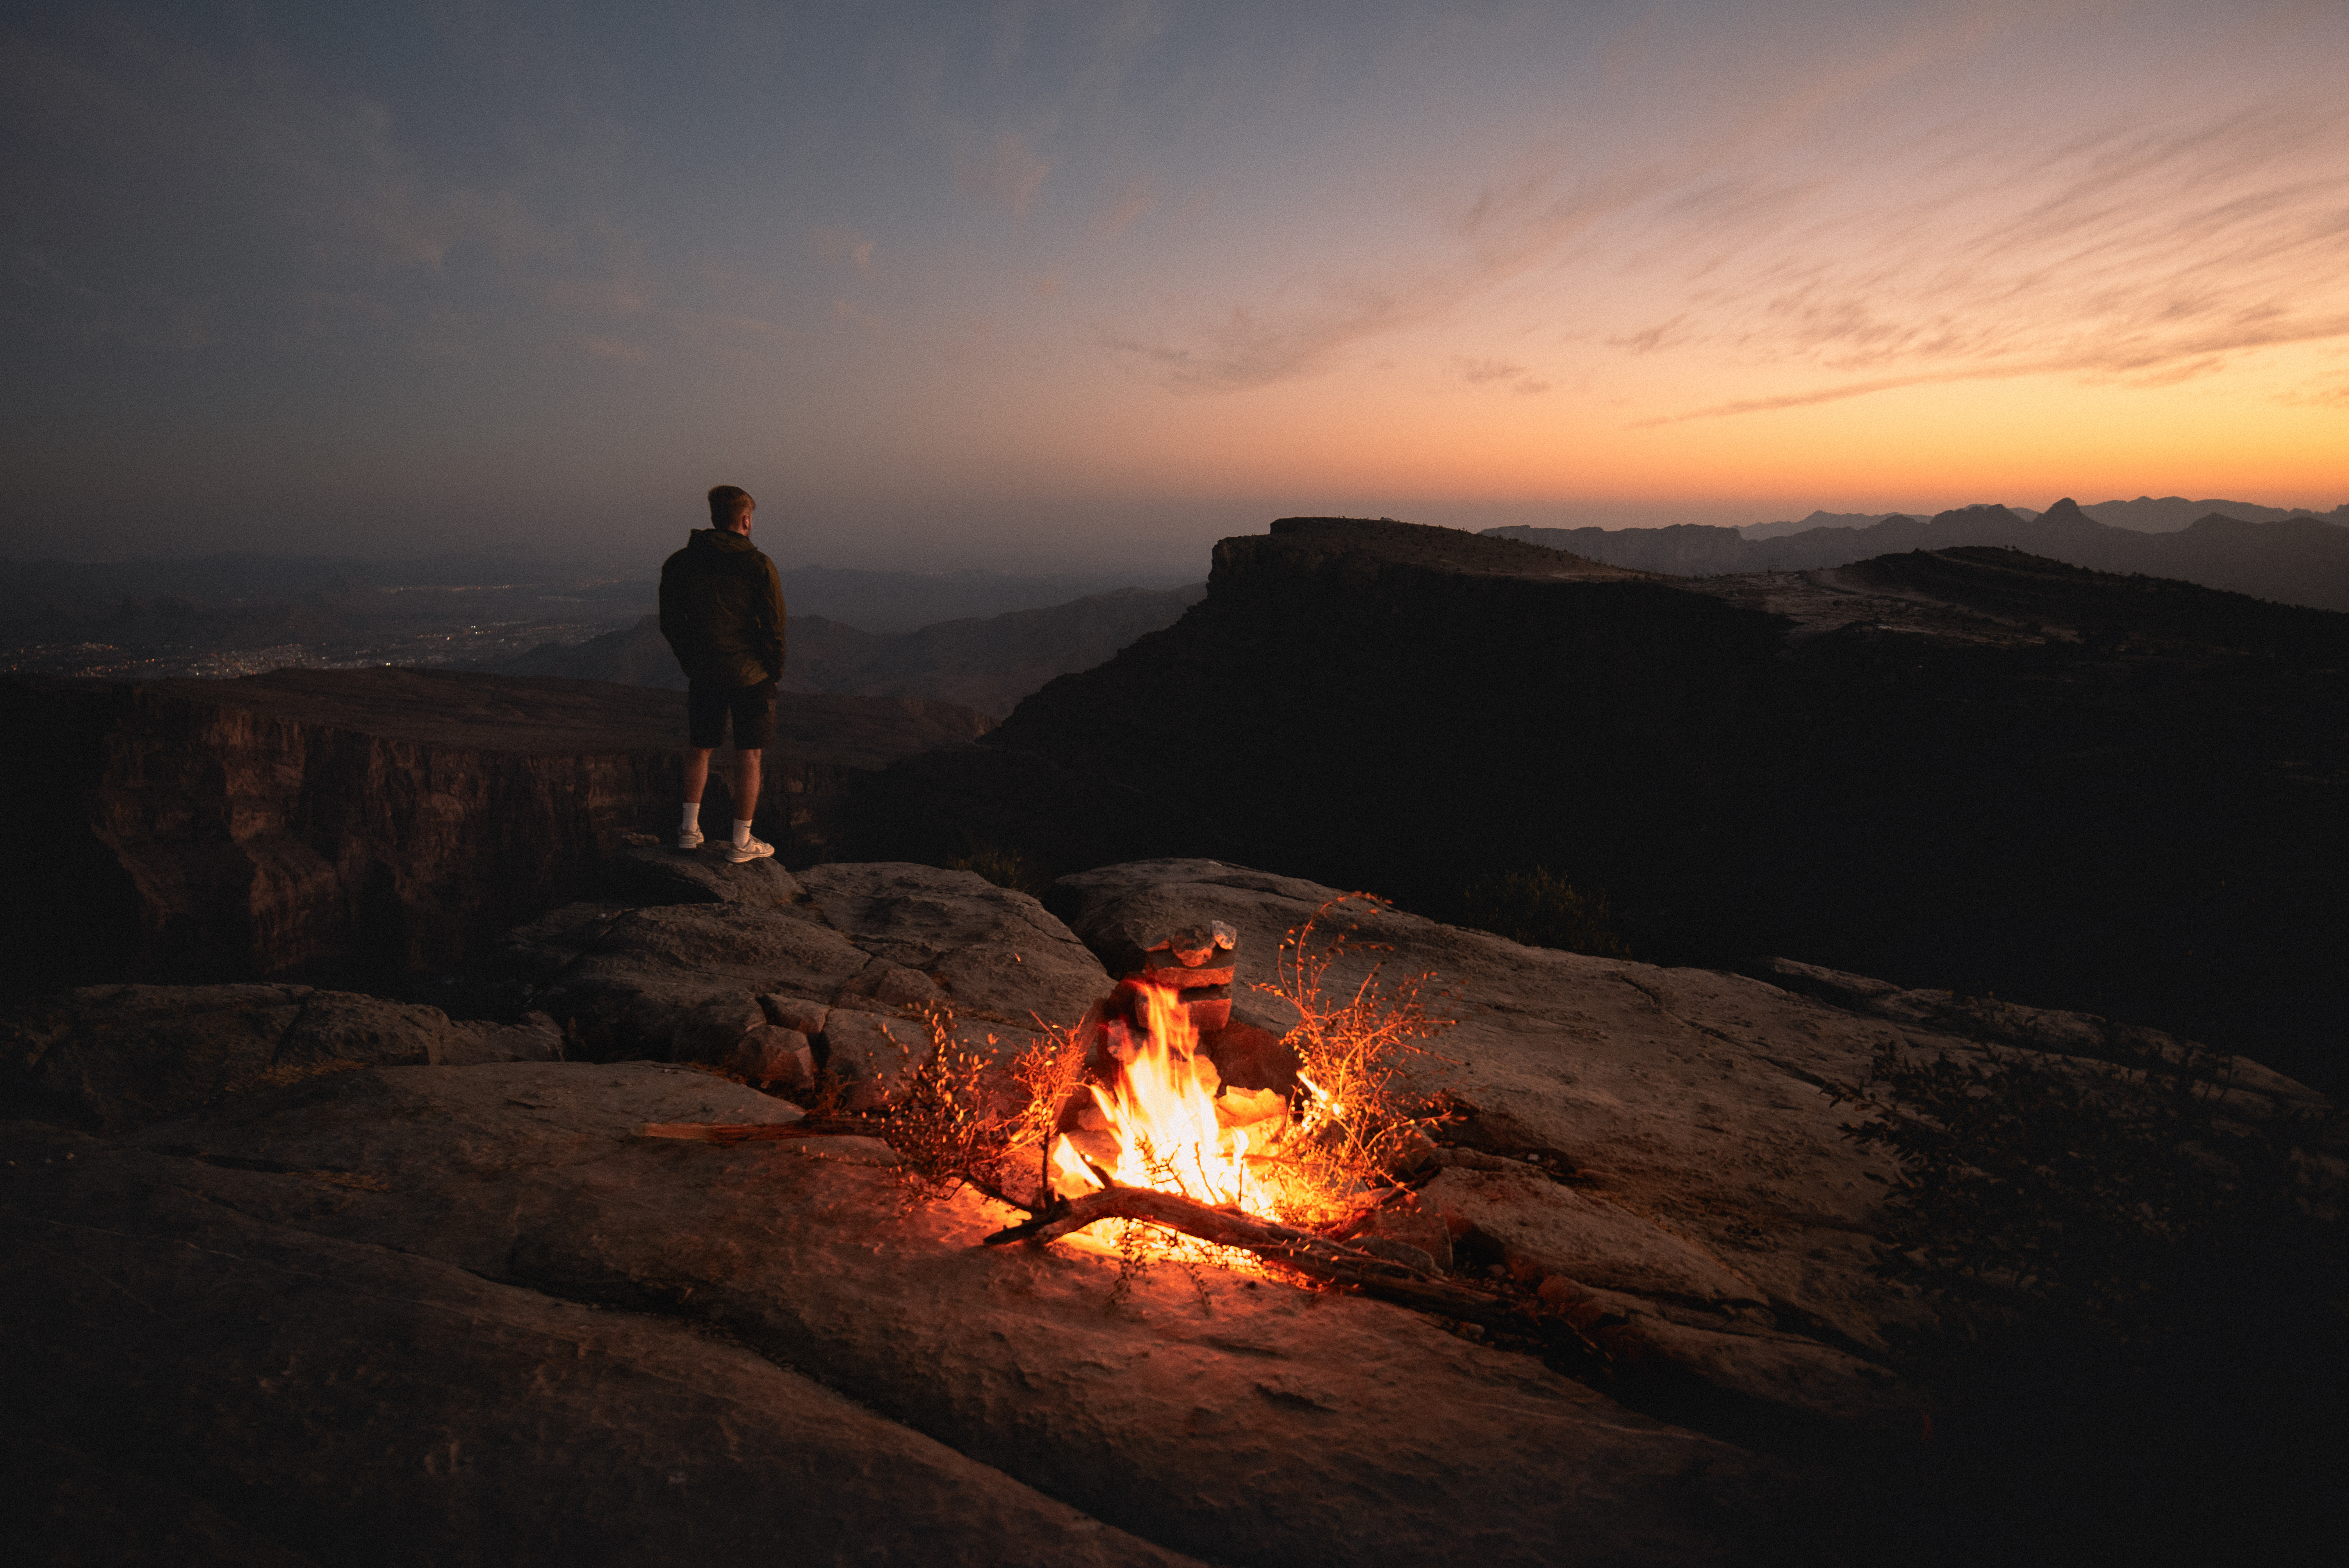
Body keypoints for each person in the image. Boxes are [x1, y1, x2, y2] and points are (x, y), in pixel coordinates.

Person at [658, 485, 786, 863]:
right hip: (751, 674)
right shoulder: (757, 564)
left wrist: (691, 660)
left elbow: (671, 622)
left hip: (705, 672)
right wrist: (774, 669)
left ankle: (687, 830)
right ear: (745, 520)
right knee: (749, 755)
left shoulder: (680, 562)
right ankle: (741, 842)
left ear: (715, 517)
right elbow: (774, 625)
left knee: (700, 747)